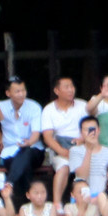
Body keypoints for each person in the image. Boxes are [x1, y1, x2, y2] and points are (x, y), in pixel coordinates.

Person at [0, 77, 44, 209]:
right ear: (8, 93)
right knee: (24, 166)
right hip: (10, 152)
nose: (21, 94)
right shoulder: (1, 106)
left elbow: (36, 134)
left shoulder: (34, 107)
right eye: (17, 91)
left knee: (26, 153)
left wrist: (29, 142)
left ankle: (10, 183)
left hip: (33, 149)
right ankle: (29, 206)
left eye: (23, 90)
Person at [40, 77, 89, 205]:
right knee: (63, 168)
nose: (71, 90)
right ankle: (57, 204)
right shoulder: (49, 109)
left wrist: (82, 139)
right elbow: (47, 137)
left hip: (80, 146)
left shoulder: (83, 105)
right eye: (66, 87)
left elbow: (91, 128)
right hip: (60, 147)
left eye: (72, 86)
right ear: (57, 91)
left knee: (88, 166)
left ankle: (86, 202)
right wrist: (62, 151)